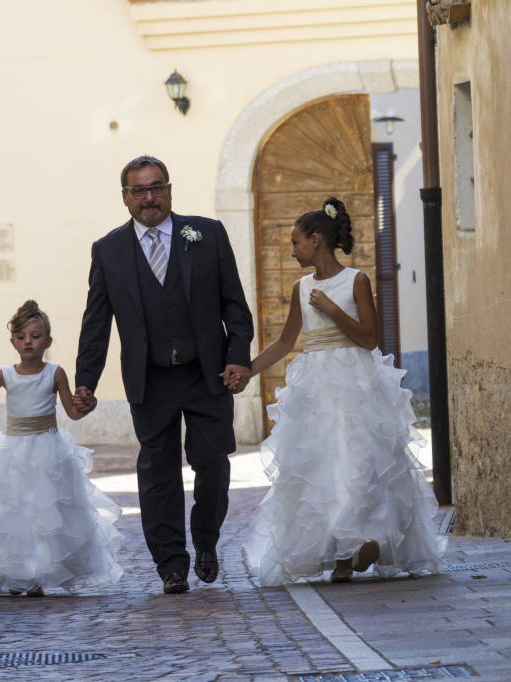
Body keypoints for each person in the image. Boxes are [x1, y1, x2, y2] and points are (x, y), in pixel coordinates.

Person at [73, 155, 255, 594]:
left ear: (170, 190)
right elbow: (97, 321)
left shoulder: (207, 234)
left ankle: (206, 541)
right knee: (158, 473)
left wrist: (238, 356)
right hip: (150, 379)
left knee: (212, 461)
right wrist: (86, 381)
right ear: (125, 198)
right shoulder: (108, 250)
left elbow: (234, 303)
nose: (149, 198)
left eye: (156, 188)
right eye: (139, 191)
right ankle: (171, 564)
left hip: (206, 373)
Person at [242, 197, 446, 586]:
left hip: (355, 380)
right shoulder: (301, 287)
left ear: (316, 240)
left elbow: (370, 339)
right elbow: (286, 342)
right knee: (321, 464)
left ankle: (359, 543)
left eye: (296, 242)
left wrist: (335, 311)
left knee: (358, 459)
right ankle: (338, 555)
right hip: (315, 385)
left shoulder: (356, 280)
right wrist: (249, 371)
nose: (292, 250)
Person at [0, 300, 123, 597]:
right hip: (14, 453)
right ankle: (18, 572)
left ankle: (39, 574)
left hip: (48, 451)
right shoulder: (6, 374)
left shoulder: (55, 373)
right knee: (14, 514)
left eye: (35, 336)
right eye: (21, 337)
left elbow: (72, 411)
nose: (28, 342)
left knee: (45, 514)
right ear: (12, 342)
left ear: (48, 340)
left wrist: (87, 405)